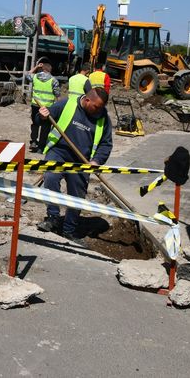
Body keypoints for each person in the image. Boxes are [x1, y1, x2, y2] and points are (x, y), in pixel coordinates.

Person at [36, 87, 113, 247]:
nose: (99, 111)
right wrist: (42, 116)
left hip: (82, 160)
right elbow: (42, 119)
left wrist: (96, 161)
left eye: (101, 108)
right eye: (96, 107)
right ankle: (53, 218)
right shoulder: (66, 104)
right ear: (87, 100)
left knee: (77, 195)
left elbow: (106, 143)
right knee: (50, 177)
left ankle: (69, 230)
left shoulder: (103, 117)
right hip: (58, 152)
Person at [28, 58, 60, 153]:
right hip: (47, 107)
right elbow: (57, 95)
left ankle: (34, 141)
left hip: (35, 105)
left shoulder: (35, 77)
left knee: (35, 124)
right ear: (50, 69)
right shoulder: (54, 80)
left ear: (42, 68)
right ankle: (41, 148)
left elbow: (28, 74)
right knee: (45, 127)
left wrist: (36, 66)